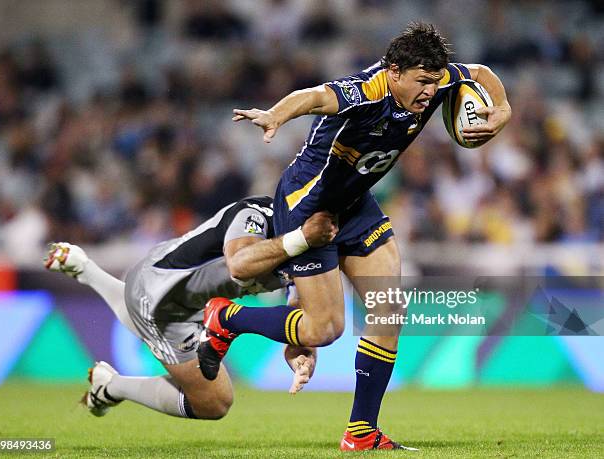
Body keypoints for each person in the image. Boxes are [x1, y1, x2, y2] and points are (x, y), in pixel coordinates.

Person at [197, 22, 511, 450]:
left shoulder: (435, 78)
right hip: (309, 204)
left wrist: (504, 108)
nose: (428, 93)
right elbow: (313, 97)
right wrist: (274, 115)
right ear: (395, 71)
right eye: (420, 82)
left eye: (434, 83)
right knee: (323, 329)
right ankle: (226, 318)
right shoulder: (366, 88)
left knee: (389, 310)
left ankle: (361, 432)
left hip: (357, 204)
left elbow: (479, 73)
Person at [44, 195, 338, 420]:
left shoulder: (315, 240)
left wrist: (304, 350)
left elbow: (301, 299)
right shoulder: (255, 215)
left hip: (190, 300)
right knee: (215, 402)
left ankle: (86, 270)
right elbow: (240, 264)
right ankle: (111, 386)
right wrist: (300, 239)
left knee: (156, 328)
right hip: (161, 296)